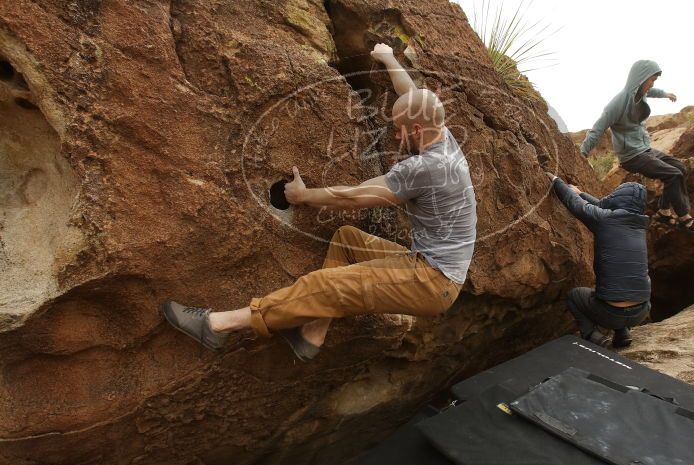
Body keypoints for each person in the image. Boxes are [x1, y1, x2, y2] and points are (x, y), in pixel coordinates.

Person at [161, 43, 477, 360]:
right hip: (430, 265)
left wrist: (303, 196)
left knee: (327, 284)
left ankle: (217, 325)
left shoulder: (424, 168)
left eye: (399, 130)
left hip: (432, 281)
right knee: (347, 240)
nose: (396, 136)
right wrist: (388, 58)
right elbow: (412, 94)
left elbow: (354, 197)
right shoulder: (443, 137)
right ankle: (312, 334)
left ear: (418, 129)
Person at [580, 60, 694, 234]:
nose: (652, 84)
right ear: (640, 79)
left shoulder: (641, 93)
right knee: (673, 174)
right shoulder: (617, 103)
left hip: (644, 148)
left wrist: (665, 94)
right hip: (631, 156)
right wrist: (582, 153)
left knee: (680, 168)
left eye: (654, 80)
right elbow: (597, 129)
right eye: (651, 80)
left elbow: (652, 91)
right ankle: (684, 217)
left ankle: (663, 211)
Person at [547, 172, 651, 348]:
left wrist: (556, 181)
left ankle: (593, 336)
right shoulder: (640, 226)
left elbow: (576, 205)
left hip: (610, 313)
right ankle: (622, 333)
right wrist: (581, 193)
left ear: (618, 198)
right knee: (629, 284)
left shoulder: (605, 220)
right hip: (642, 311)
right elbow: (602, 205)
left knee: (574, 296)